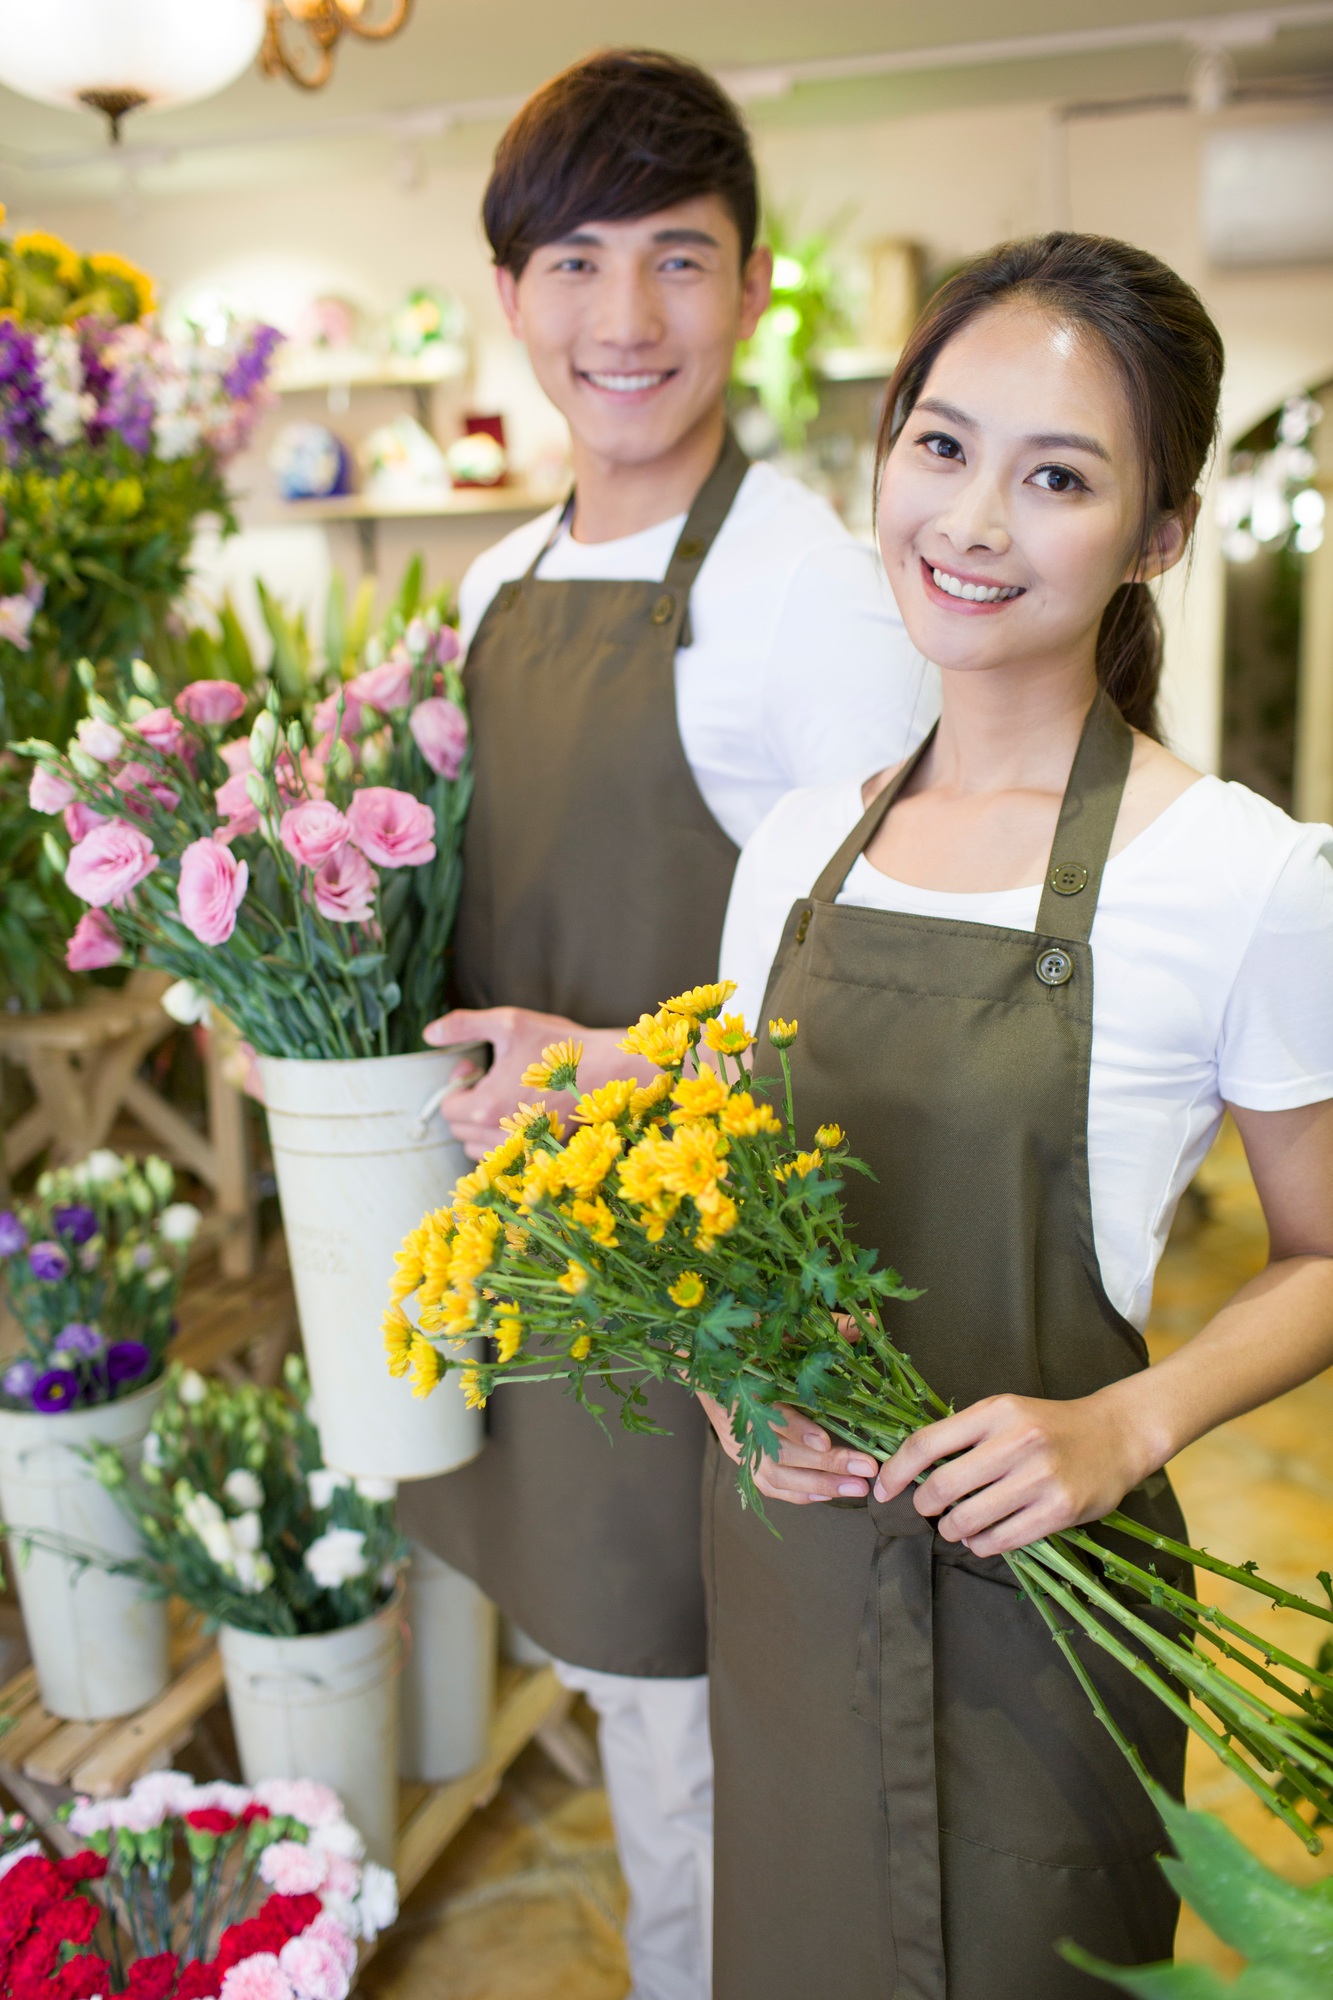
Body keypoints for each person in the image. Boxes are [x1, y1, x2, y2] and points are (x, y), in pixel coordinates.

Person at [706, 231, 1333, 2000]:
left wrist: (1126, 1428)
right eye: (941, 444)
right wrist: (724, 1384)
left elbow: (1324, 1252)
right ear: (884, 452)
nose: (972, 521)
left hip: (1048, 1616)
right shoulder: (789, 851)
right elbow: (701, 1224)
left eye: (1054, 476)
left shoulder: (1243, 875)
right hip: (790, 1587)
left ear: (1155, 535)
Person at [397, 49, 936, 2000]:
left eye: (679, 260)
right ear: (512, 289)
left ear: (752, 284)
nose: (624, 320)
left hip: (721, 1294)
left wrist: (628, 1075)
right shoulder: (496, 581)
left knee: (711, 1779)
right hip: (556, 1275)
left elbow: (902, 993)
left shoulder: (810, 598)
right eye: (575, 261)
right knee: (644, 1734)